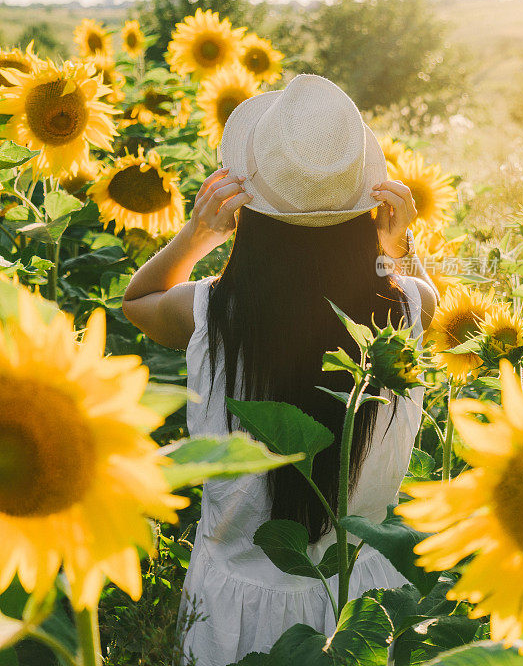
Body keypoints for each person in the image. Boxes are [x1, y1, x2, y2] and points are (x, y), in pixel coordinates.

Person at [122, 74, 439, 666]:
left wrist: (198, 233)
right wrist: (397, 248)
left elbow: (137, 301)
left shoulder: (213, 314)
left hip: (234, 609)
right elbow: (423, 292)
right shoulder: (407, 309)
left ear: (251, 213)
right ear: (365, 206)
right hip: (359, 602)